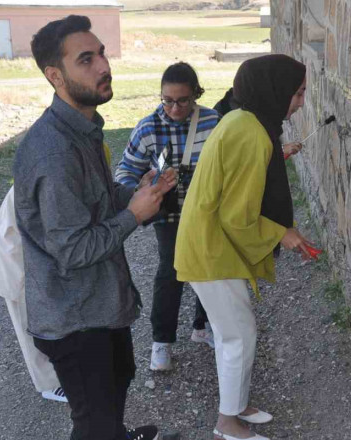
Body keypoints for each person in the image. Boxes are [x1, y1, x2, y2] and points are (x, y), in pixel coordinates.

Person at [12, 15, 178, 440]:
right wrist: (136, 214)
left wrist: (139, 194)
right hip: (74, 319)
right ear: (56, 75)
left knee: (118, 382)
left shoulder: (85, 129)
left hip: (102, 306)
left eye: (102, 53)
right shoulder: (53, 152)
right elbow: (74, 250)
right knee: (94, 424)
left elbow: (97, 205)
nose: (104, 66)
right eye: (86, 59)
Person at [175, 54, 314, 440]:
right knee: (239, 333)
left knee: (231, 331)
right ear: (275, 90)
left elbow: (238, 178)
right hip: (211, 248)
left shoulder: (243, 120)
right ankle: (227, 423)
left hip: (209, 242)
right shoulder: (251, 132)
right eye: (298, 93)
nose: (301, 102)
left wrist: (275, 159)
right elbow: (238, 218)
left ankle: (236, 404)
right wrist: (283, 234)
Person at [115, 62, 220, 371]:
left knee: (209, 268)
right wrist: (142, 185)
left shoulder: (214, 122)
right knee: (170, 273)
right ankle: (161, 343)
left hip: (206, 212)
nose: (174, 108)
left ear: (196, 95)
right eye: (167, 100)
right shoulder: (147, 128)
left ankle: (202, 327)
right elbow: (125, 172)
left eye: (182, 101)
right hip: (169, 214)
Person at [0, 187, 67, 404]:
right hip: (16, 262)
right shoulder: (45, 178)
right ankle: (49, 385)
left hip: (29, 258)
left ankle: (59, 371)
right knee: (29, 326)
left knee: (46, 321)